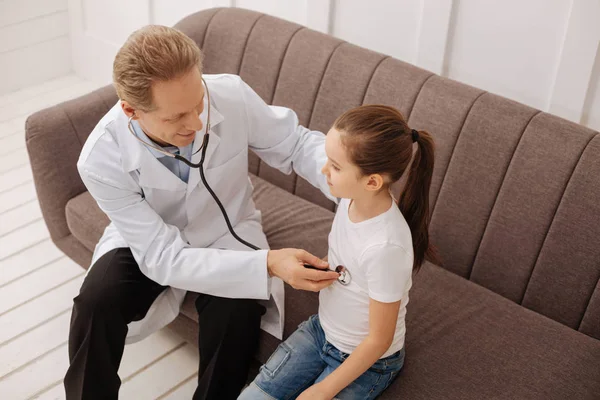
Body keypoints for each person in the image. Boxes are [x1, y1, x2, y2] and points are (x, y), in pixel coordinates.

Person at [64, 25, 340, 400]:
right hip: (150, 241)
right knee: (95, 303)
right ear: (131, 110)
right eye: (177, 116)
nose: (196, 124)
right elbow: (164, 257)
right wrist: (270, 264)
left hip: (226, 234)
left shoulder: (228, 93)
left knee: (237, 314)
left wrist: (349, 179)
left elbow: (294, 145)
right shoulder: (101, 157)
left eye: (198, 104)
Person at [239, 105, 438, 400]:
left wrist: (323, 390)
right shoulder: (350, 198)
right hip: (321, 331)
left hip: (370, 362)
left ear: (372, 181)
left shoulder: (386, 248)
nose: (323, 170)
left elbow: (379, 340)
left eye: (335, 165)